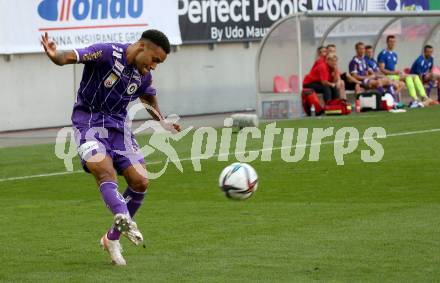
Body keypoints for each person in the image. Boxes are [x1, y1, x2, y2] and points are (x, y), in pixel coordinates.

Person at [41, 30, 181, 266]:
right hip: (89, 124)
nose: (155, 66)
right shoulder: (107, 53)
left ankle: (112, 238)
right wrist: (55, 55)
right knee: (106, 173)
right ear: (142, 47)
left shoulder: (143, 75)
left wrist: (162, 120)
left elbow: (147, 99)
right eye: (155, 59)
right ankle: (124, 217)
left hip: (119, 130)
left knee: (141, 181)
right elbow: (70, 57)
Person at [377, 35, 428, 104]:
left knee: (411, 77)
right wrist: (394, 73)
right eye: (390, 42)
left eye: (394, 42)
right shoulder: (383, 54)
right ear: (387, 42)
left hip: (394, 76)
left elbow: (393, 68)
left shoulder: (394, 55)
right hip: (387, 77)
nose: (392, 43)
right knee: (413, 76)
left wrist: (398, 73)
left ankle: (420, 97)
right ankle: (417, 97)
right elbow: (382, 70)